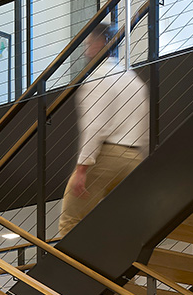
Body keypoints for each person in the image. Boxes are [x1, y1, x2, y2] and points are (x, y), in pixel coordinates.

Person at [55, 23, 149, 240]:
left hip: (105, 158)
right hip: (134, 159)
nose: (86, 51)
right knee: (121, 230)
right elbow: (144, 127)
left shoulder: (98, 78)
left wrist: (81, 169)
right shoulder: (133, 79)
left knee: (71, 222)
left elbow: (95, 125)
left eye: (89, 45)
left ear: (101, 43)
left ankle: (73, 273)